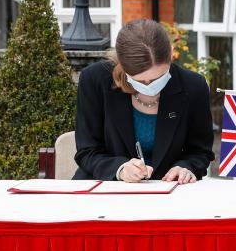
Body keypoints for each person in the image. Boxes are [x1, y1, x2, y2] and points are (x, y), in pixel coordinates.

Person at [74, 19, 215, 183]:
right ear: (122, 64)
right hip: (106, 187)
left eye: (158, 78)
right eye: (140, 81)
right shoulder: (95, 79)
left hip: (168, 189)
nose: (149, 86)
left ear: (171, 53)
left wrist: (186, 167)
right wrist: (120, 169)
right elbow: (87, 150)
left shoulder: (194, 86)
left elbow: (201, 151)